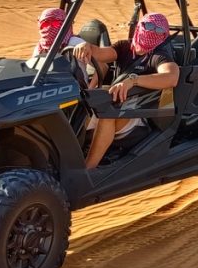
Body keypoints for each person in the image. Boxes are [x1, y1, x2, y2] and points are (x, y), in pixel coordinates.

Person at [73, 12, 180, 169]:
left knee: (108, 113)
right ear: (140, 26)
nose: (151, 32)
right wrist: (87, 46)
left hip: (140, 112)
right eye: (148, 26)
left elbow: (171, 77)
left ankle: (88, 169)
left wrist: (133, 80)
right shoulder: (125, 47)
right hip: (119, 104)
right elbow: (101, 54)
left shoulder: (158, 55)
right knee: (80, 104)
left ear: (163, 36)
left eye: (158, 31)